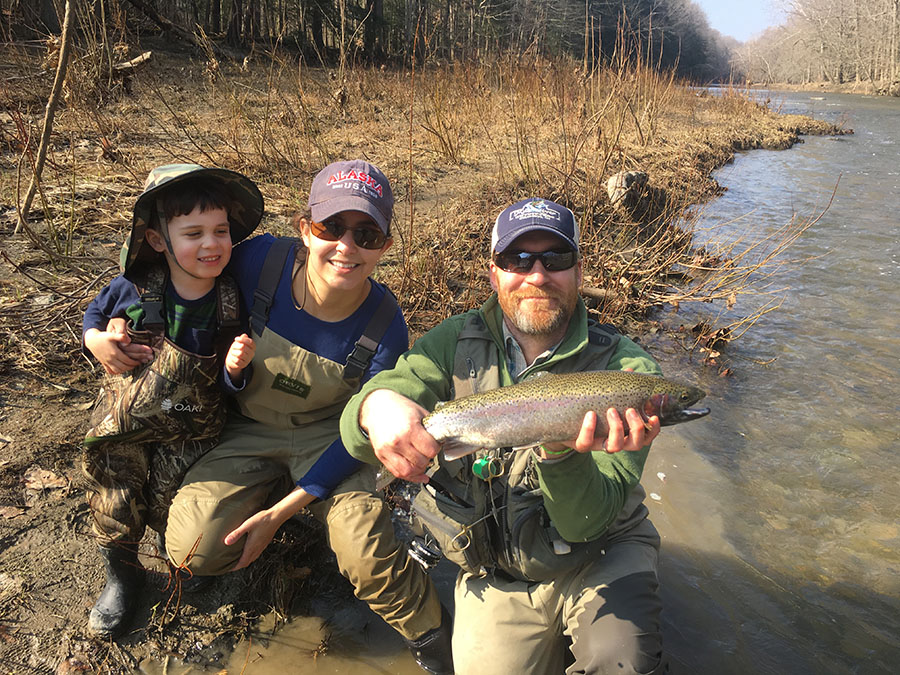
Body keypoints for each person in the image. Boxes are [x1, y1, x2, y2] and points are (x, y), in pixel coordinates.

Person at [341, 197, 668, 674]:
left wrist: (560, 450)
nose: (537, 275)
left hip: (603, 553)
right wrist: (375, 407)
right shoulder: (451, 343)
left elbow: (584, 523)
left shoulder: (628, 373)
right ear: (493, 274)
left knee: (623, 662)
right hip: (500, 570)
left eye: (555, 260)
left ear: (579, 272)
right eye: (517, 260)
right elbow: (355, 433)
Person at [162, 159, 453, 674]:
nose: (346, 246)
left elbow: (357, 437)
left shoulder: (387, 326)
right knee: (192, 550)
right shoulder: (255, 261)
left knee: (364, 550)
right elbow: (171, 272)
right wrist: (104, 328)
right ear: (304, 228)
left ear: (385, 246)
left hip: (333, 440)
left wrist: (283, 512)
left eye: (366, 234)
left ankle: (433, 637)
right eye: (331, 228)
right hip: (247, 426)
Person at [81, 163, 264, 637]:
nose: (211, 244)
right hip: (126, 424)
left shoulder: (230, 299)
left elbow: (227, 386)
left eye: (221, 231)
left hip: (191, 428)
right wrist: (98, 340)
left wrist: (234, 368)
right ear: (159, 240)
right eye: (193, 233)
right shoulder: (137, 287)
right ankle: (122, 575)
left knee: (172, 498)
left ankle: (180, 560)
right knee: (116, 494)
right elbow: (95, 315)